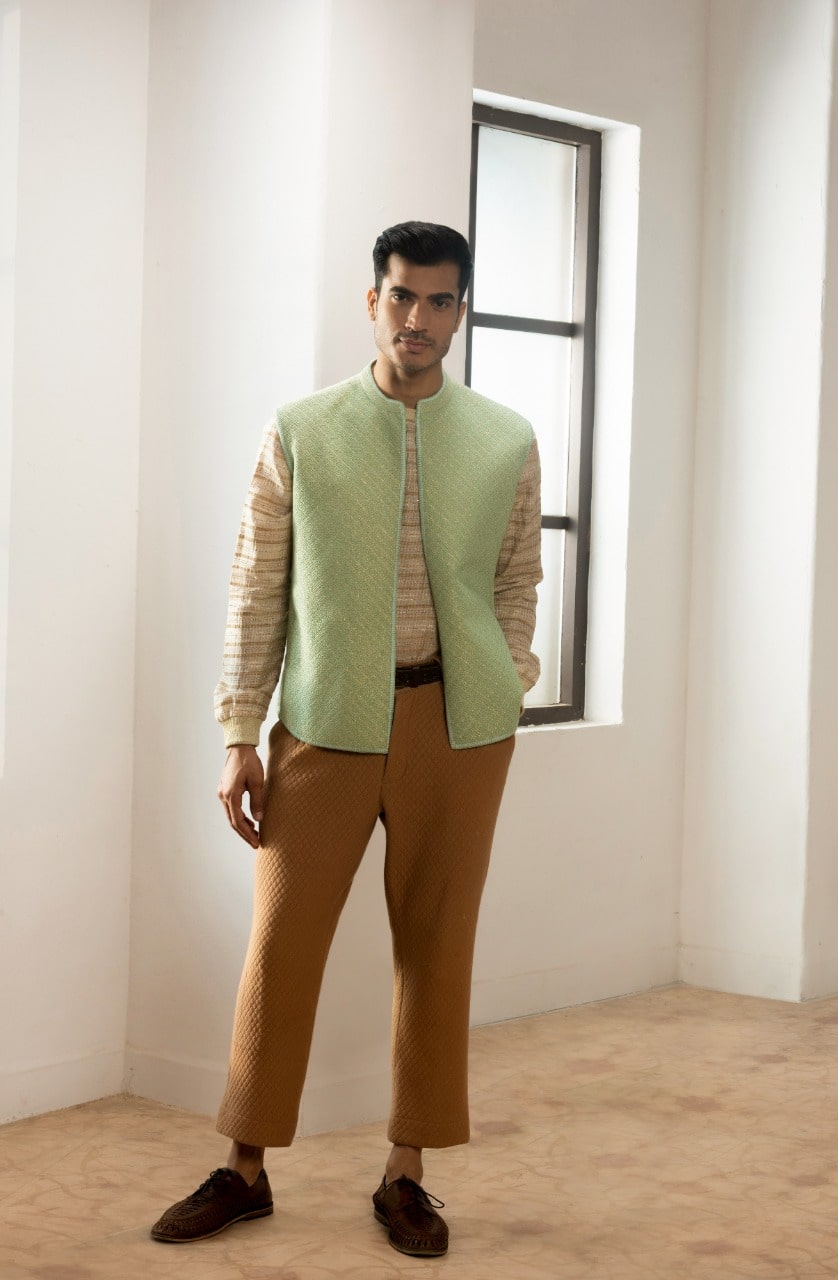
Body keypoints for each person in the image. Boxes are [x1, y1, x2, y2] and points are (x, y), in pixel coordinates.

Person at [150, 221, 542, 1258]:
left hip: (460, 730)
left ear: (460, 311)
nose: (418, 318)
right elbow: (255, 584)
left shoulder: (505, 438)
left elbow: (516, 578)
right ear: (372, 301)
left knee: (437, 949)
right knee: (280, 947)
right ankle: (244, 1167)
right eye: (401, 296)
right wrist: (239, 731)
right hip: (323, 728)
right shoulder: (301, 429)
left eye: (440, 301)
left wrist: (508, 678)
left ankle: (406, 1172)